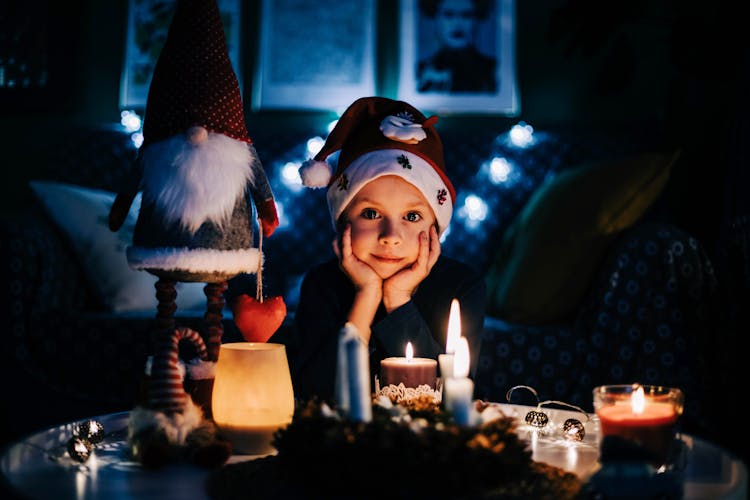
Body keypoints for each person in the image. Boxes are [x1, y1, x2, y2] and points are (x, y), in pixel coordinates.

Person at [288, 96, 486, 401]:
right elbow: (317, 392)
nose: (391, 236)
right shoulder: (321, 284)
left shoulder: (461, 286)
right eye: (371, 214)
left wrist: (399, 299)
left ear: (434, 229)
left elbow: (449, 396)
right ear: (343, 223)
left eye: (411, 216)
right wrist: (366, 297)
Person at [417, 0, 497, 93]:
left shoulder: (493, 70)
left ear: (476, 20)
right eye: (449, 15)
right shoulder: (420, 71)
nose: (457, 24)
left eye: (466, 15)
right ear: (435, 19)